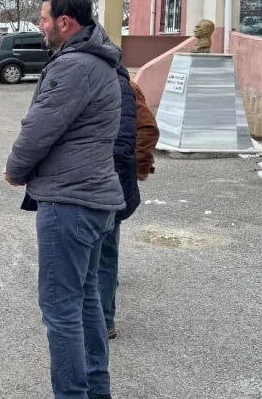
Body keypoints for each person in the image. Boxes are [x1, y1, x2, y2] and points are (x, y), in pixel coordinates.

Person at [5, 0, 125, 399]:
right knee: (86, 300)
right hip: (95, 200)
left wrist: (15, 169)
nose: (39, 27)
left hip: (71, 202)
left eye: (42, 19)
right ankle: (96, 390)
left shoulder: (73, 66)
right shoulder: (99, 61)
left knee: (61, 310)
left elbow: (38, 129)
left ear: (64, 22)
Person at [96, 63, 150, 341]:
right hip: (110, 182)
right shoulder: (112, 83)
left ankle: (103, 319)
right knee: (105, 254)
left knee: (103, 254)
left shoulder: (122, 88)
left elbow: (147, 129)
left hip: (110, 182)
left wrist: (139, 166)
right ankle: (102, 319)